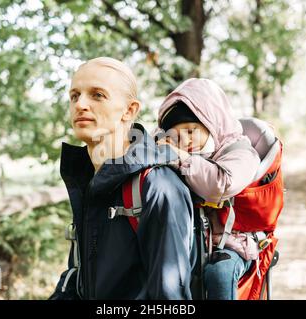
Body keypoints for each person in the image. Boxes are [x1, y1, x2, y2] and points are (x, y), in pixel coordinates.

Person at [49, 57, 195, 300]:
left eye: (97, 95)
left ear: (129, 110)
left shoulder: (157, 187)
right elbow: (80, 278)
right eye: (74, 96)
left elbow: (170, 297)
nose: (80, 105)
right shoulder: (88, 178)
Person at [156, 78, 261, 300]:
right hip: (189, 241)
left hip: (231, 243)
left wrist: (181, 159)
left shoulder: (240, 152)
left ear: (211, 123)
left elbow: (221, 185)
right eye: (176, 136)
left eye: (191, 130)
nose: (185, 141)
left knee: (219, 274)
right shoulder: (183, 154)